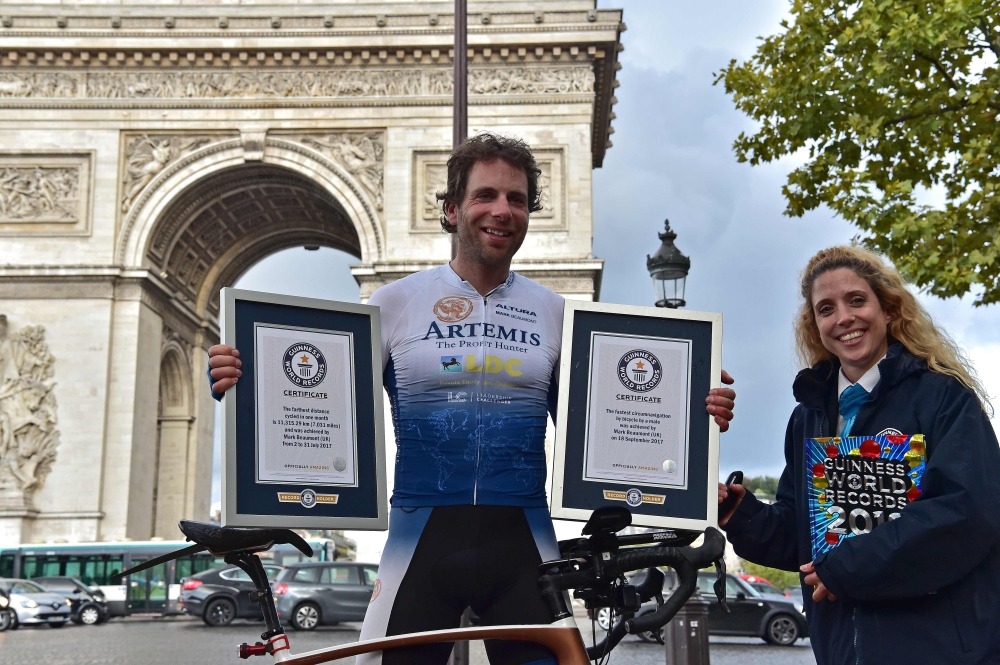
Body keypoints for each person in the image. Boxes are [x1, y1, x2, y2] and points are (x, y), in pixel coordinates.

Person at [209, 133, 737, 665]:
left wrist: (690, 413)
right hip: (418, 539)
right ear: (452, 208)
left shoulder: (556, 313)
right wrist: (245, 383)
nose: (502, 211)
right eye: (486, 196)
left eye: (518, 199)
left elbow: (600, 426)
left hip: (523, 543)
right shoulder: (393, 304)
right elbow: (319, 401)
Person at [718, 246, 1000, 664]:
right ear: (815, 326)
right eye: (826, 308)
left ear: (887, 310)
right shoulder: (808, 417)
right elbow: (804, 536)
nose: (844, 318)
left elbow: (967, 513)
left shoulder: (943, 396)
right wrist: (741, 514)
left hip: (938, 647)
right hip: (842, 651)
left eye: (856, 300)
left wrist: (848, 568)